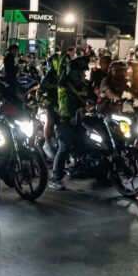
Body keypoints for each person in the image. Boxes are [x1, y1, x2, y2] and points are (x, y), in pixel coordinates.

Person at [50, 56, 96, 190]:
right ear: (74, 72)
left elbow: (93, 97)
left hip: (82, 119)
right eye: (81, 72)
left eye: (84, 72)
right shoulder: (64, 86)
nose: (83, 74)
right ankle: (55, 178)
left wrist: (99, 100)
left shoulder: (85, 84)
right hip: (64, 120)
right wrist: (80, 109)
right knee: (64, 147)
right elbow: (66, 107)